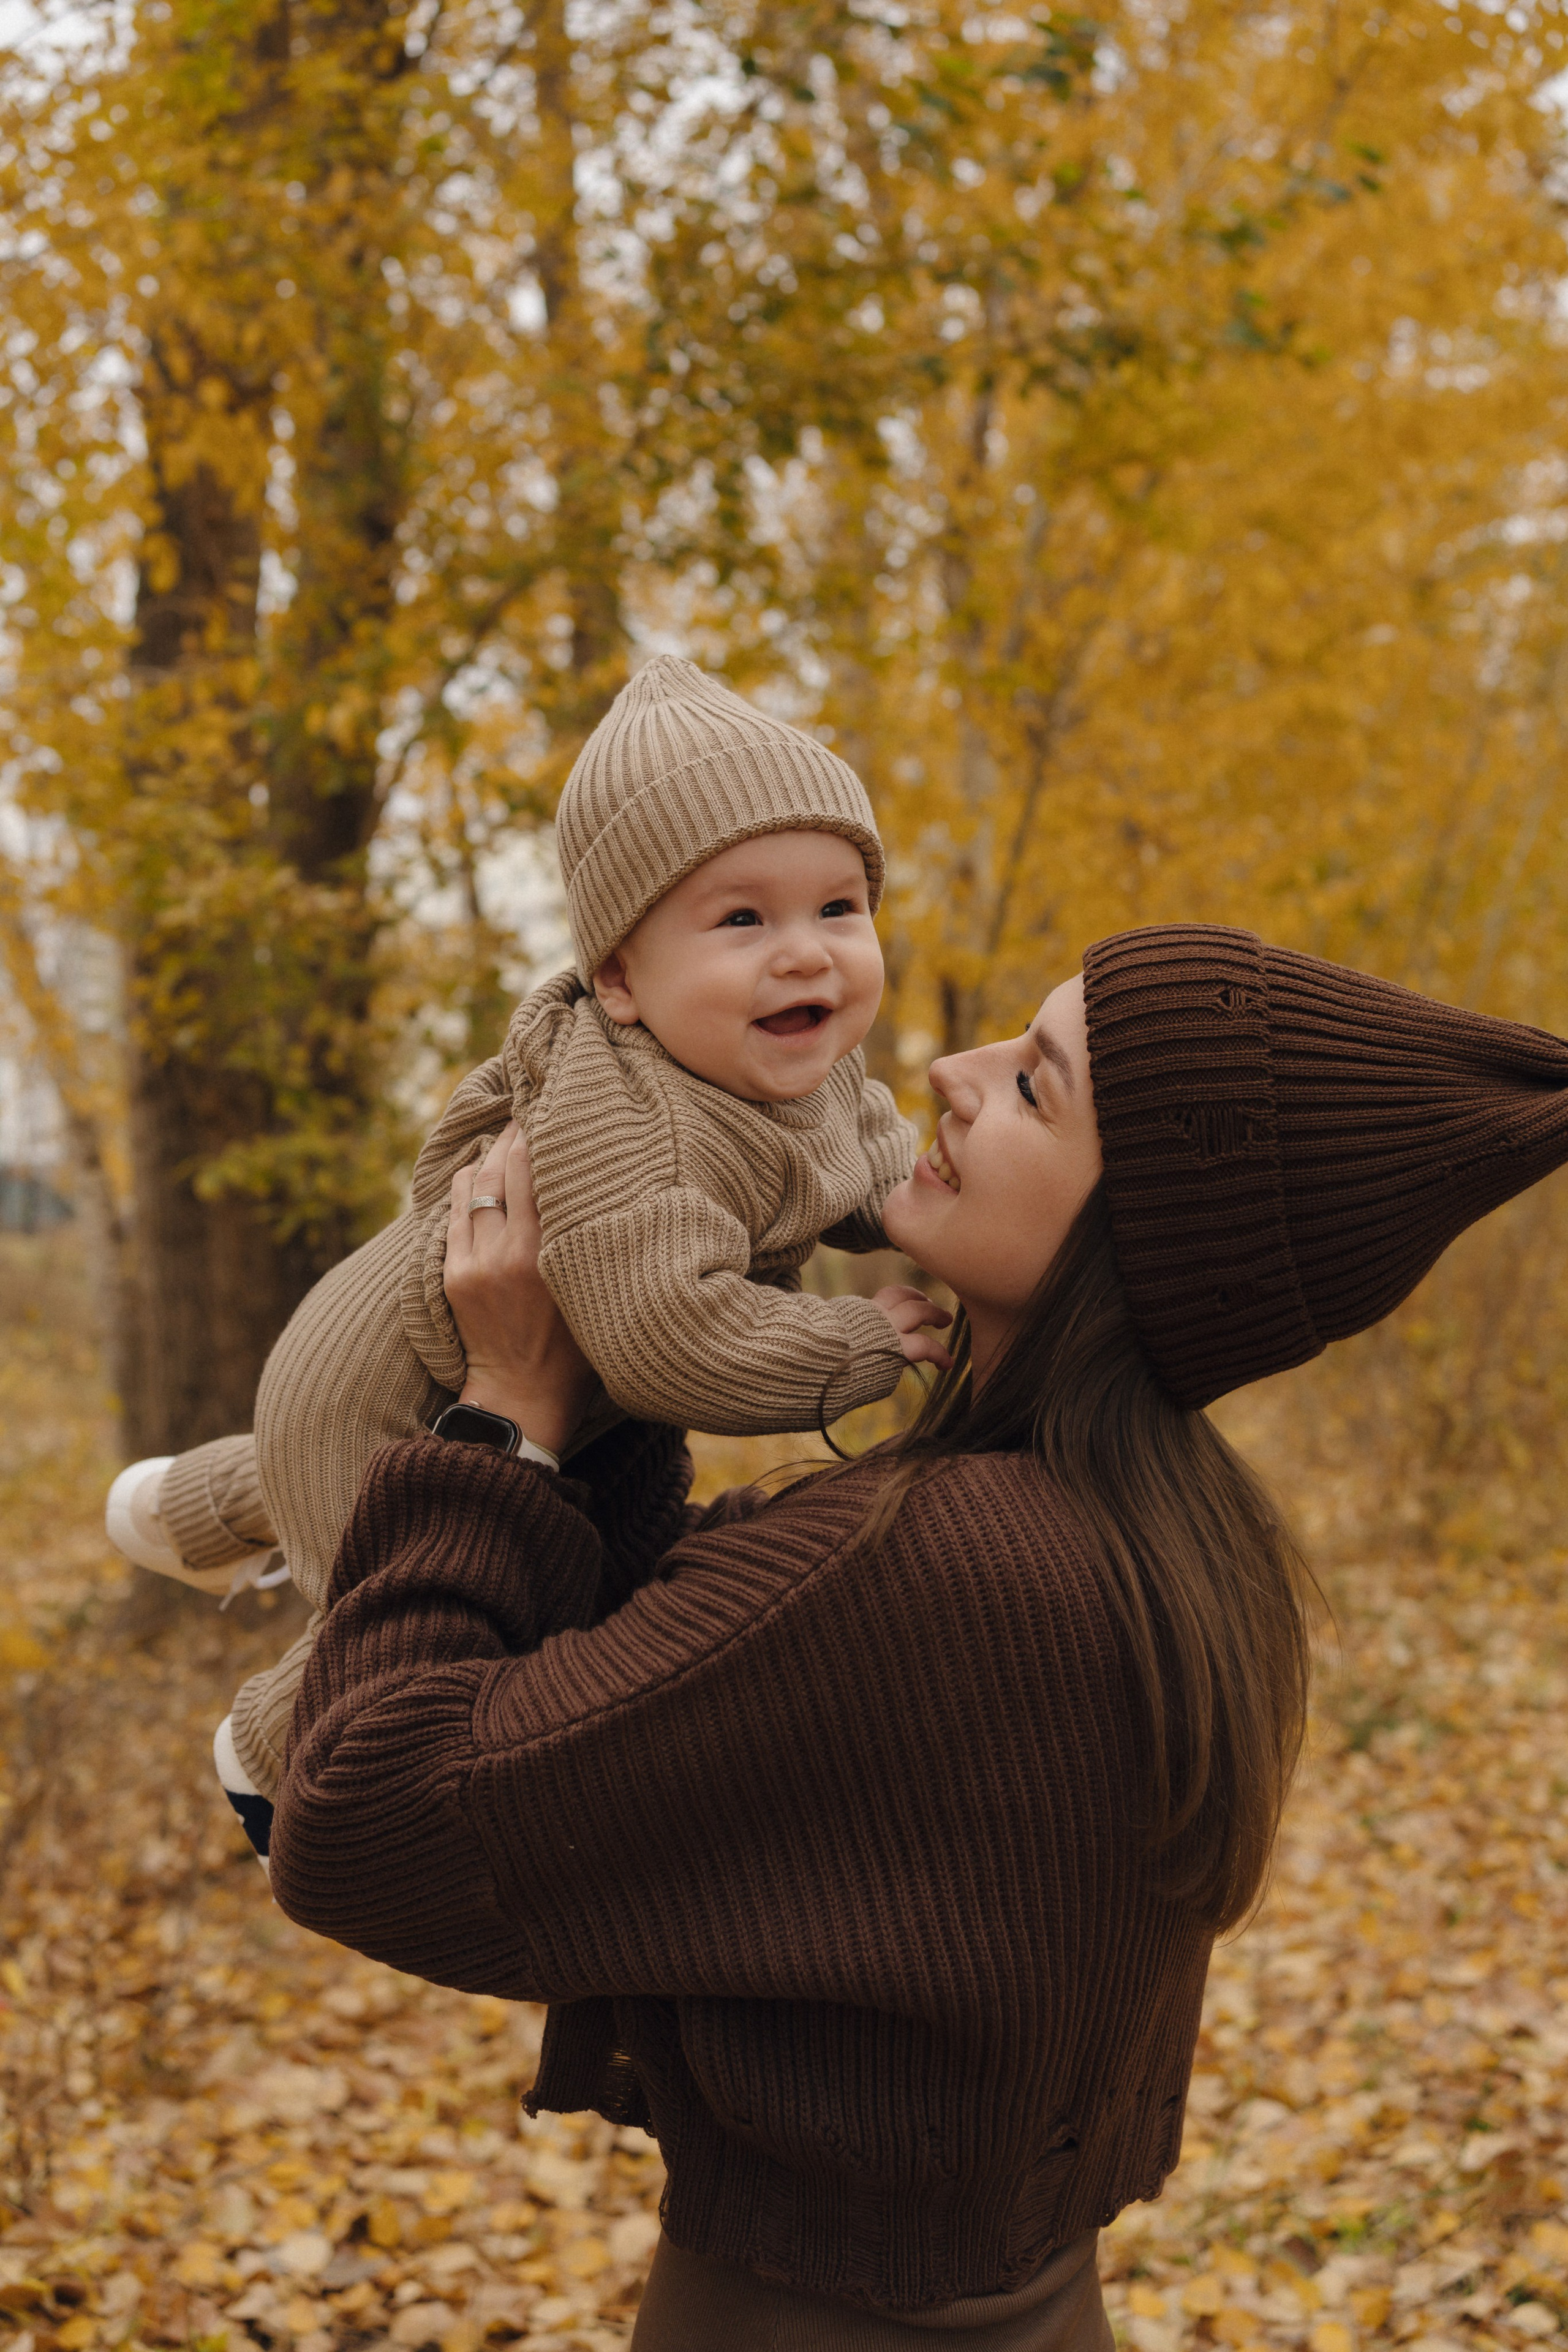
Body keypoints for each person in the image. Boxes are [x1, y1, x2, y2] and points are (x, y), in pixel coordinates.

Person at [268, 922, 1568, 2349]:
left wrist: (504, 1414)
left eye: (1033, 1088)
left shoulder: (940, 1569)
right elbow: (647, 1669)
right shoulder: (1176, 1546)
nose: (952, 1071)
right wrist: (634, 1342)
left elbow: (362, 1817)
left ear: (1145, 1233)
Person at [103, 656, 952, 1847]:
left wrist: (950, 1222)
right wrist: (856, 1342)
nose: (807, 953)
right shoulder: (634, 1116)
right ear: (617, 977)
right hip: (394, 1405)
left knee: (339, 1476)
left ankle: (194, 1507)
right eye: (742, 919)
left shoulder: (797, 1060)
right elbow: (671, 1342)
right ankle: (260, 1742)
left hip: (389, 1371)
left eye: (838, 908)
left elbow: (861, 1168)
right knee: (405, 1574)